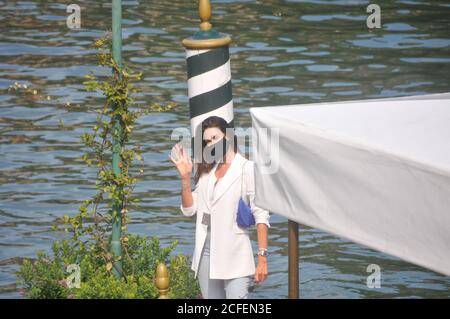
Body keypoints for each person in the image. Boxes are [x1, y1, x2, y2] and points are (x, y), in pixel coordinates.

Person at [169, 116, 270, 299]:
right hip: (205, 253)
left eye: (215, 138)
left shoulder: (246, 168)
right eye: (207, 141)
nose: (210, 144)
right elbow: (189, 210)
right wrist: (185, 178)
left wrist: (262, 257)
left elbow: (261, 214)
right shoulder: (207, 169)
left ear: (228, 137)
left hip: (235, 255)